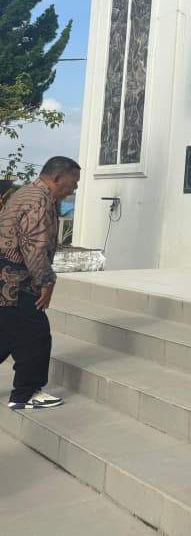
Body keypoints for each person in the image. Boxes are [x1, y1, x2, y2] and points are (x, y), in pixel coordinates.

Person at [1, 156, 80, 409]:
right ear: (57, 178)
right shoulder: (40, 202)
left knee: (6, 334)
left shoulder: (24, 193)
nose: (75, 188)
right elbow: (34, 247)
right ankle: (25, 395)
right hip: (17, 284)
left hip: (4, 280)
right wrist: (46, 282)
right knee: (36, 336)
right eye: (73, 182)